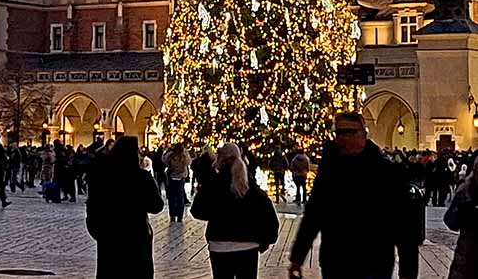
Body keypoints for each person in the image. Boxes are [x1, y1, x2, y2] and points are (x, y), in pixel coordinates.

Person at [288, 113, 419, 279]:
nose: (344, 137)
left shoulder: (384, 170)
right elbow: (314, 215)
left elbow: (404, 224)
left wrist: (408, 271)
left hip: (374, 261)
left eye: (350, 132)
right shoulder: (330, 170)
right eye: (339, 132)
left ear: (363, 135)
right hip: (336, 260)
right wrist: (297, 258)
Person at [192, 143, 279, 279]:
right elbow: (267, 213)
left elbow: (198, 211)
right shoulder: (250, 186)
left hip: (220, 245)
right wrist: (266, 240)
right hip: (247, 246)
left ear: (220, 160)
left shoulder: (213, 184)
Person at [86, 136, 163, 279]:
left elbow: (92, 206)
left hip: (110, 236)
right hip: (136, 235)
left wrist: (98, 232)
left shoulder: (102, 176)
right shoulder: (142, 177)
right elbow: (156, 206)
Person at [444, 162, 478, 279]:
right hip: (468, 251)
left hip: (468, 250)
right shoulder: (465, 190)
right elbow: (450, 220)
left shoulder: (465, 190)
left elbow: (451, 221)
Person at [163, 142, 191, 222]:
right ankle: (180, 216)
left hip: (172, 176)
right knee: (180, 197)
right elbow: (189, 162)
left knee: (172, 197)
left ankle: (172, 215)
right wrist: (185, 151)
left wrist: (169, 151)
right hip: (181, 177)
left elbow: (164, 159)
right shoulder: (184, 156)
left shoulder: (172, 155)